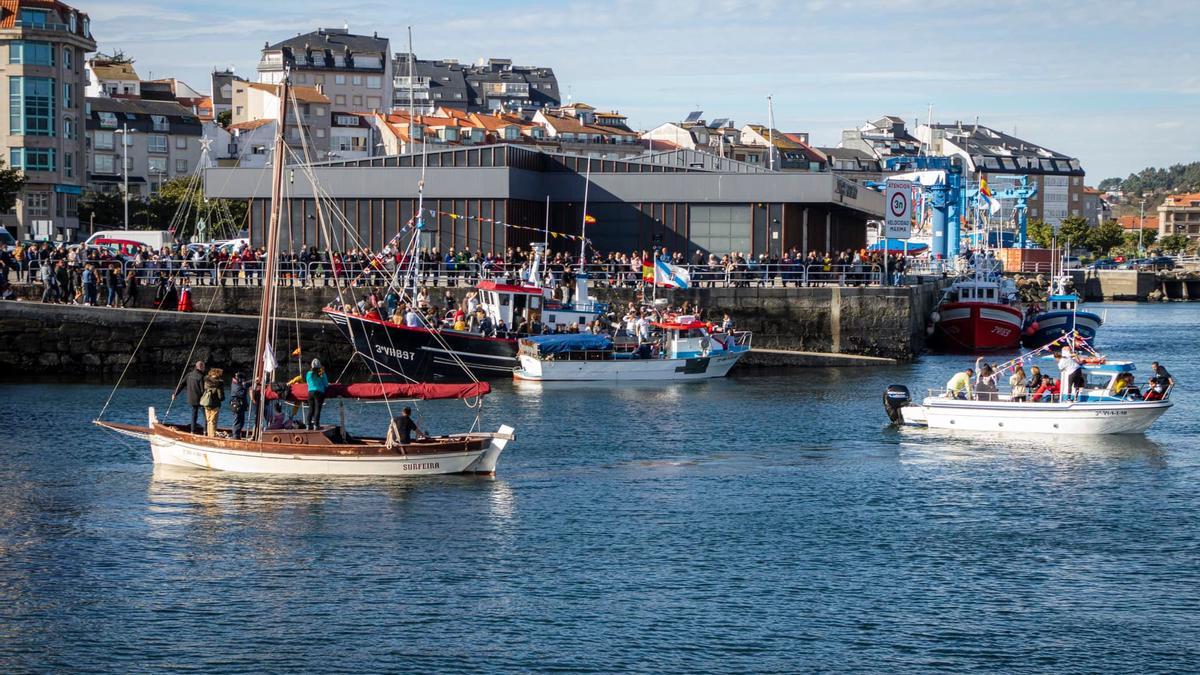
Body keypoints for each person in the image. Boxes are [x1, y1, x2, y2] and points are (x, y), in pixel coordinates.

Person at [173, 360, 207, 433]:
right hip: (200, 399)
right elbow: (202, 390)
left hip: (191, 399)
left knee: (194, 414)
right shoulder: (201, 377)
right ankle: (205, 431)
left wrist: (175, 394)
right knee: (206, 416)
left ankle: (192, 431)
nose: (205, 368)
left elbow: (181, 385)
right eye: (204, 366)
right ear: (201, 367)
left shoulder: (189, 375)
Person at [200, 368, 225, 437]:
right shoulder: (219, 383)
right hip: (215, 404)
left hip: (206, 403)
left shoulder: (206, 381)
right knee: (213, 421)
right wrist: (222, 398)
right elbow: (220, 396)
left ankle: (209, 435)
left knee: (208, 420)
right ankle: (212, 436)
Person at [305, 359, 329, 429]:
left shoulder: (309, 373)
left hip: (310, 392)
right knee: (317, 409)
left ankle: (308, 425)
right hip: (319, 392)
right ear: (319, 365)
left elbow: (308, 383)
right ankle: (316, 425)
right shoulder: (321, 372)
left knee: (311, 409)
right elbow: (326, 384)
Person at [229, 372, 250, 439]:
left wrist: (254, 381)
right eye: (243, 379)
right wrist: (245, 387)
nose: (244, 381)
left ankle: (237, 434)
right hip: (237, 405)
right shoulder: (235, 384)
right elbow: (241, 393)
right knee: (237, 420)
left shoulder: (238, 383)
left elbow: (246, 384)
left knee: (241, 421)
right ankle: (235, 436)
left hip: (241, 405)